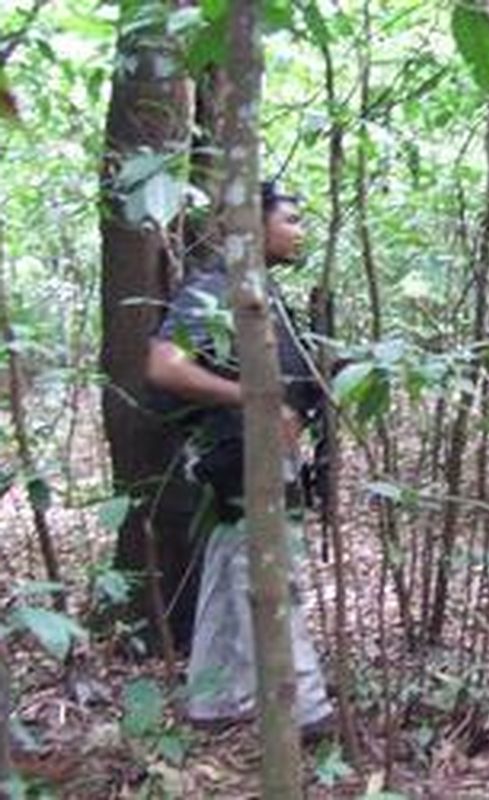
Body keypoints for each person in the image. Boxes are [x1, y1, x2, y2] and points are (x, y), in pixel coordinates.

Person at [144, 181, 333, 736]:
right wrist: (254, 400)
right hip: (237, 455)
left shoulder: (259, 294)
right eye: (291, 219)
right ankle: (304, 708)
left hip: (257, 455)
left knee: (233, 565)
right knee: (270, 571)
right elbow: (165, 366)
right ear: (253, 224)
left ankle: (217, 699)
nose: (300, 232)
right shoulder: (212, 288)